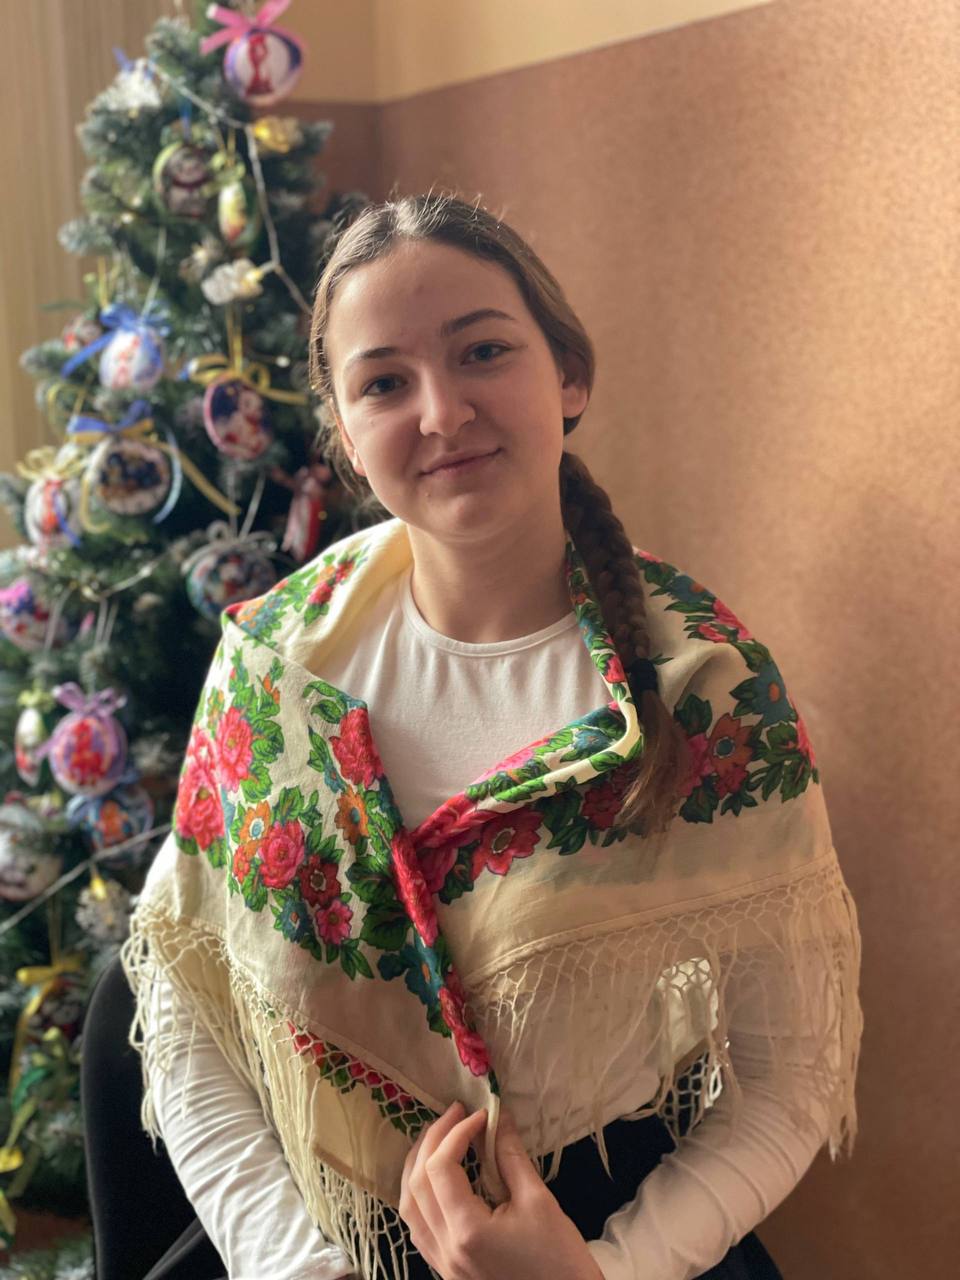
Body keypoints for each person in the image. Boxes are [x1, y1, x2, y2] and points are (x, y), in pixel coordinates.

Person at [118, 191, 864, 1280]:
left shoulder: (705, 688)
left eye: (482, 351)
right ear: (343, 434)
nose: (442, 412)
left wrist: (594, 1273)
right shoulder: (277, 666)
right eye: (384, 382)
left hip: (607, 1234)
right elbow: (187, 1011)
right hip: (315, 1231)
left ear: (569, 376)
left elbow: (786, 1080)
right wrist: (296, 1267)